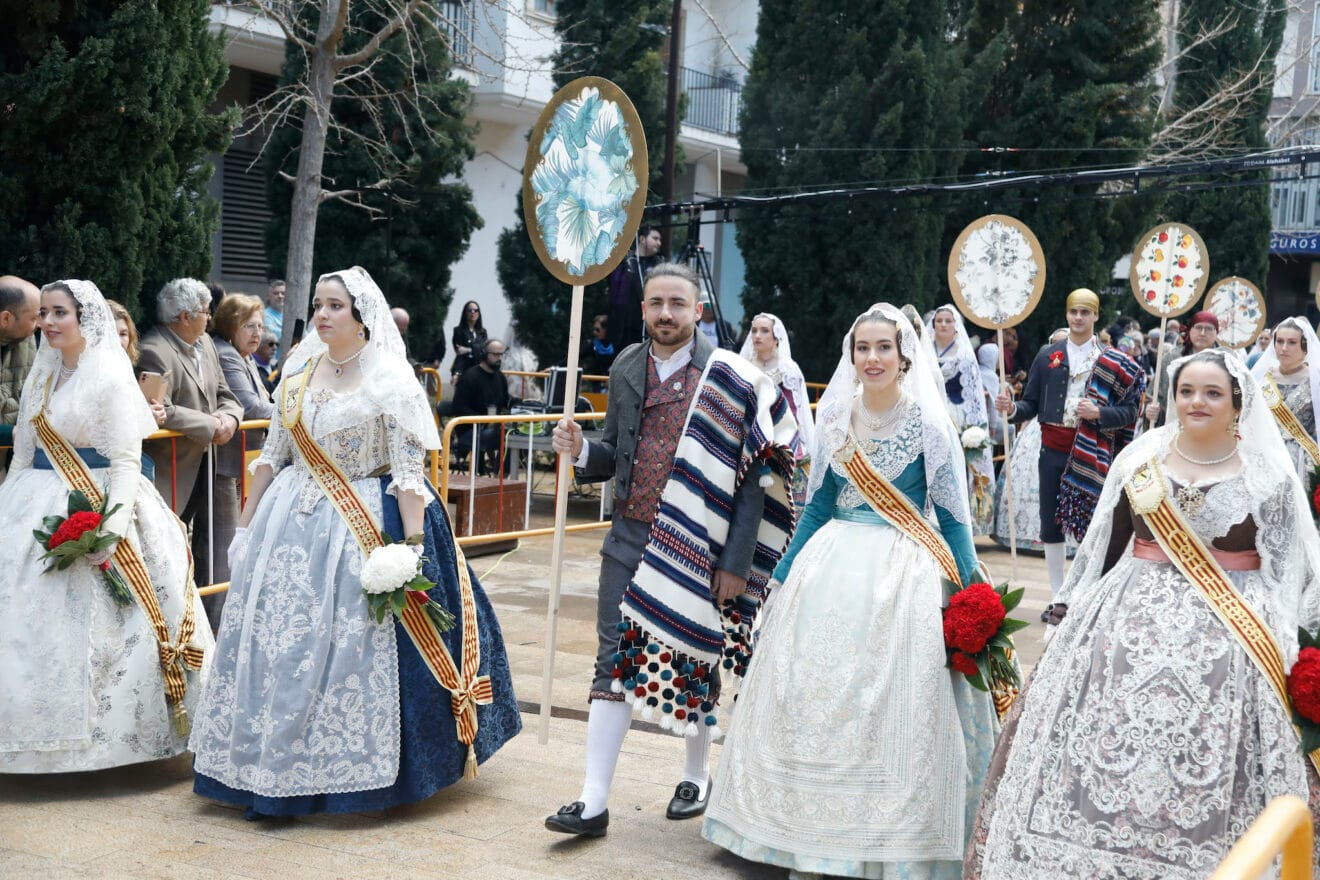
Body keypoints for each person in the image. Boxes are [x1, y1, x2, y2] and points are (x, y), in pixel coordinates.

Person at [967, 349, 1320, 879]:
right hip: (1125, 628)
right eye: (1186, 392)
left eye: (1212, 393)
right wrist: (1075, 618)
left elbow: (1287, 569)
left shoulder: (1268, 477)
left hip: (1231, 644)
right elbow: (1107, 548)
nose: (1197, 402)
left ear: (1237, 403)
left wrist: (1289, 649)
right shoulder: (1140, 460)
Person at [190, 266, 520, 818]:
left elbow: (409, 476)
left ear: (362, 317)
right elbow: (272, 458)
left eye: (335, 306)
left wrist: (413, 550)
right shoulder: (297, 370)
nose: (322, 314)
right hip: (287, 530)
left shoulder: (390, 379)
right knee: (280, 645)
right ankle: (266, 766)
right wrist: (244, 530)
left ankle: (346, 774)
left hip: (365, 522)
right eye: (318, 304)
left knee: (349, 647)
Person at [704, 304, 998, 878]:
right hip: (829, 567)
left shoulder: (929, 426)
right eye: (862, 348)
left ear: (903, 354)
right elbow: (815, 508)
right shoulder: (835, 416)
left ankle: (885, 836)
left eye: (883, 348)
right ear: (851, 355)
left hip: (902, 574)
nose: (872, 358)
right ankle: (788, 832)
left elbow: (954, 519)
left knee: (886, 702)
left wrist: (970, 592)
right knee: (811, 693)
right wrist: (781, 578)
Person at [544, 262, 764, 836]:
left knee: (693, 655)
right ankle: (593, 799)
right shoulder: (625, 366)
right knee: (612, 656)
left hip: (699, 544)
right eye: (655, 303)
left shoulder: (727, 376)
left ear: (698, 311)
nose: (666, 313)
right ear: (642, 309)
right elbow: (612, 451)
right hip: (628, 536)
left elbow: (749, 481)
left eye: (677, 303)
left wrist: (735, 564)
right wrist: (580, 448)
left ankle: (696, 773)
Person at [0, 279, 213, 773]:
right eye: (45, 314)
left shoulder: (110, 379)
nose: (48, 323)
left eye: (60, 314)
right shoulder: (41, 375)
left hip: (101, 500)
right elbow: (24, 454)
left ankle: (111, 740)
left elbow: (123, 463)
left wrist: (110, 530)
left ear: (84, 319)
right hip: (33, 502)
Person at [995, 288, 1145, 605]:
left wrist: (1100, 413)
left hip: (1092, 452)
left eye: (1085, 312)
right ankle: (1057, 593)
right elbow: (1030, 404)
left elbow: (1131, 412)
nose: (1078, 317)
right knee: (1051, 522)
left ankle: (1086, 590)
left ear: (1096, 316)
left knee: (1090, 522)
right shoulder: (1048, 355)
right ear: (1066, 315)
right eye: (1073, 311)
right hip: (1052, 449)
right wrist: (1011, 410)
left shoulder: (1114, 361)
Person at [138, 278, 243, 615]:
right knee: (165, 549)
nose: (210, 318)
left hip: (207, 466)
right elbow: (158, 409)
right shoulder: (154, 350)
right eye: (204, 312)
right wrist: (210, 426)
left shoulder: (207, 345)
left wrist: (230, 419)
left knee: (202, 551)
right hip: (172, 471)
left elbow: (227, 394)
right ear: (184, 316)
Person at [211, 293, 273, 622]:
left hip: (244, 461)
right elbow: (251, 406)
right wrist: (297, 414)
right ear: (230, 324)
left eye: (260, 327)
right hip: (225, 463)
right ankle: (219, 621)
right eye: (249, 326)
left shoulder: (244, 356)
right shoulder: (227, 355)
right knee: (225, 545)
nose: (256, 334)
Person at [929, 305, 995, 534]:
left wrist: (975, 426)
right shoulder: (925, 351)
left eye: (948, 321)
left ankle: (961, 520)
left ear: (956, 325)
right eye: (940, 321)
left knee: (958, 466)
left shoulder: (964, 354)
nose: (944, 325)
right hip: (931, 412)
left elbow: (974, 394)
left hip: (957, 414)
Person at [739, 312, 814, 506]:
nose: (757, 335)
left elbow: (796, 410)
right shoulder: (743, 366)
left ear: (776, 337)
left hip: (782, 442)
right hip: (748, 441)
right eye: (754, 330)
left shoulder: (787, 369)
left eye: (764, 331)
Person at [1250, 317, 1320, 485]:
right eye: (1279, 341)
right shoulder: (1261, 377)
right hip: (1263, 458)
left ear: (1304, 346)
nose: (1283, 348)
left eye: (1292, 342)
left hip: (1302, 462)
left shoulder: (1316, 380)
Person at [1145, 309, 1220, 427]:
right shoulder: (1171, 358)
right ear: (1190, 330)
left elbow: (1237, 393)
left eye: (1209, 329)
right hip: (1174, 427)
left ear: (1217, 333)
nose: (1203, 333)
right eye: (1198, 327)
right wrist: (1151, 410)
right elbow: (1152, 395)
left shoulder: (1226, 362)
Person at [451, 338, 511, 474]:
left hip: (490, 428)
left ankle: (501, 474)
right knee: (504, 437)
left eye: (502, 354)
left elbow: (506, 400)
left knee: (515, 437)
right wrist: (483, 420)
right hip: (469, 431)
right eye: (496, 354)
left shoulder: (500, 377)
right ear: (484, 354)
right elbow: (459, 407)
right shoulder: (470, 377)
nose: (500, 358)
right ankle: (493, 474)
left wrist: (521, 404)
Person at [0, 275, 41, 464]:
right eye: (34, 317)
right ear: (5, 318)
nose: (40, 324)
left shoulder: (27, 339)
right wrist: (15, 434)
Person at [606, 224, 664, 351]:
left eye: (660, 240)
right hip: (625, 325)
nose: (659, 243)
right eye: (655, 238)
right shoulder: (626, 261)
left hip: (649, 324)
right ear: (642, 239)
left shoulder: (659, 264)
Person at [450, 299, 487, 384]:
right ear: (465, 313)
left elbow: (484, 350)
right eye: (470, 310)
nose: (473, 312)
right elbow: (460, 353)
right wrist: (457, 373)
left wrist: (468, 350)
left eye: (476, 310)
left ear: (479, 313)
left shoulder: (483, 332)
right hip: (464, 371)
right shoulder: (458, 331)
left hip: (480, 371)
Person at [581, 313, 616, 379]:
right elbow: (578, 356)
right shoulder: (592, 345)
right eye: (594, 329)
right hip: (596, 383)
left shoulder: (616, 345)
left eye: (597, 330)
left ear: (605, 330)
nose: (594, 332)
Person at [262, 279, 285, 356]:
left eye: (283, 293)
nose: (280, 296)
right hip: (273, 363)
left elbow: (305, 336)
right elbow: (275, 336)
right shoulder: (264, 315)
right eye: (276, 293)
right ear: (268, 296)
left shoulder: (292, 316)